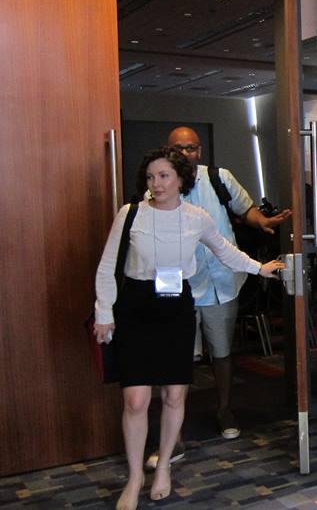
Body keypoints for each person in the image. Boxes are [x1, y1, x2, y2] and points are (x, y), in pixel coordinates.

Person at [93, 148, 283, 510]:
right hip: (136, 306)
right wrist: (104, 312)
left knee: (174, 396)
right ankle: (134, 477)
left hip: (176, 306)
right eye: (151, 177)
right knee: (135, 400)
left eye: (164, 176)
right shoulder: (130, 214)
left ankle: (163, 465)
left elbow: (225, 250)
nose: (157, 183)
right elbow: (106, 266)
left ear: (181, 178)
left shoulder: (197, 217)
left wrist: (260, 268)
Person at [147, 126, 290, 470]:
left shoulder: (218, 178)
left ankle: (225, 409)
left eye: (192, 148)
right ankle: (174, 433)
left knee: (222, 351)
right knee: (177, 359)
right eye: (178, 148)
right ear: (168, 151)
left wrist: (263, 223)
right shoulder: (158, 190)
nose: (186, 154)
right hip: (179, 288)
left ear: (200, 151)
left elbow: (244, 210)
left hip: (223, 281)